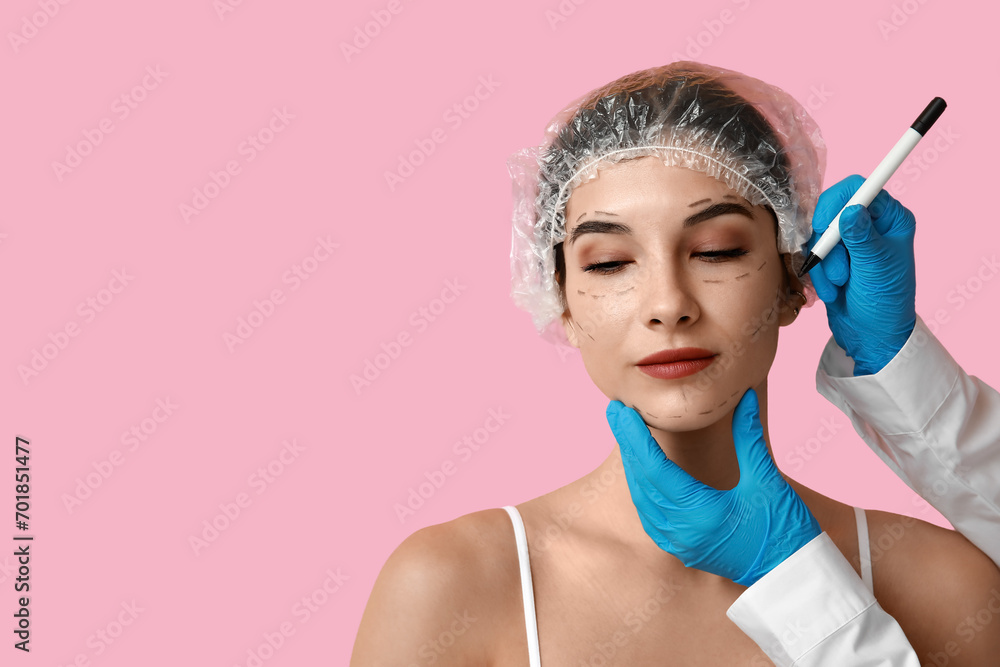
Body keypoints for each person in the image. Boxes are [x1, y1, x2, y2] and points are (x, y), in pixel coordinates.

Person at [349, 62, 1000, 666]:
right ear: (562, 302)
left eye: (715, 249)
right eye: (608, 262)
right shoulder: (449, 586)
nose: (668, 305)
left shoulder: (942, 587)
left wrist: (789, 571)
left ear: (791, 278)